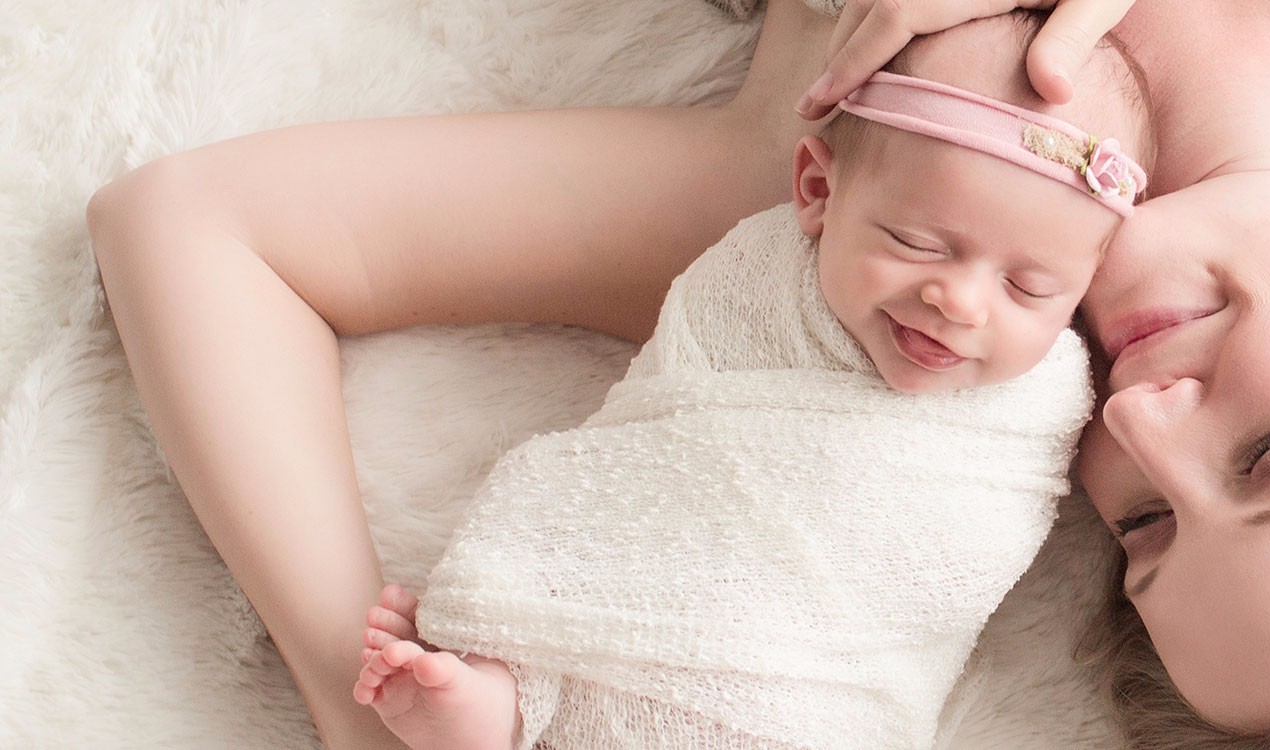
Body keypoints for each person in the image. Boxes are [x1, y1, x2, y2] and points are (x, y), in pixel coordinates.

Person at [84, 0, 1270, 748]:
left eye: (1151, 534)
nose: (1142, 424)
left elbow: (196, 228)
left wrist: (343, 684)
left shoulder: (849, 219)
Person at [342, 13, 1152, 750]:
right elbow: (654, 461)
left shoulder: (1035, 410)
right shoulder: (751, 287)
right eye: (917, 242)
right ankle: (502, 703)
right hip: (650, 621)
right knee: (537, 659)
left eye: (1030, 289)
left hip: (826, 699)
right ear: (817, 191)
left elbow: (939, 580)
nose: (960, 302)